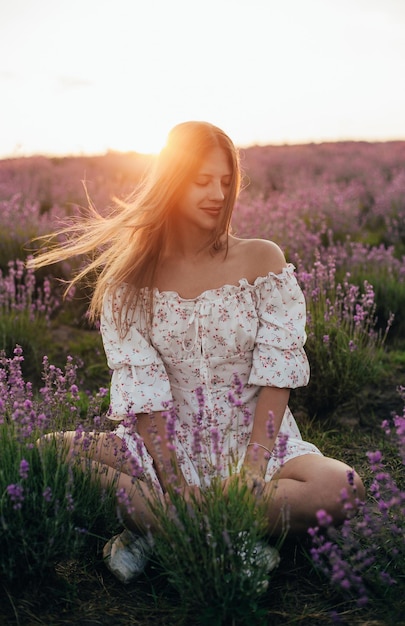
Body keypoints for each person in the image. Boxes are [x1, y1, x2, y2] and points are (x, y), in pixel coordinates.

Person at [31, 121, 365, 583]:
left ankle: (161, 532)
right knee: (46, 453)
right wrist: (176, 484)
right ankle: (231, 535)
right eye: (201, 180)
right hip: (162, 449)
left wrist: (251, 471)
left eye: (226, 181)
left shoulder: (262, 260)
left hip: (262, 444)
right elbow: (145, 399)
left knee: (343, 488)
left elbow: (277, 373)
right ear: (172, 181)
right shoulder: (129, 285)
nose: (216, 192)